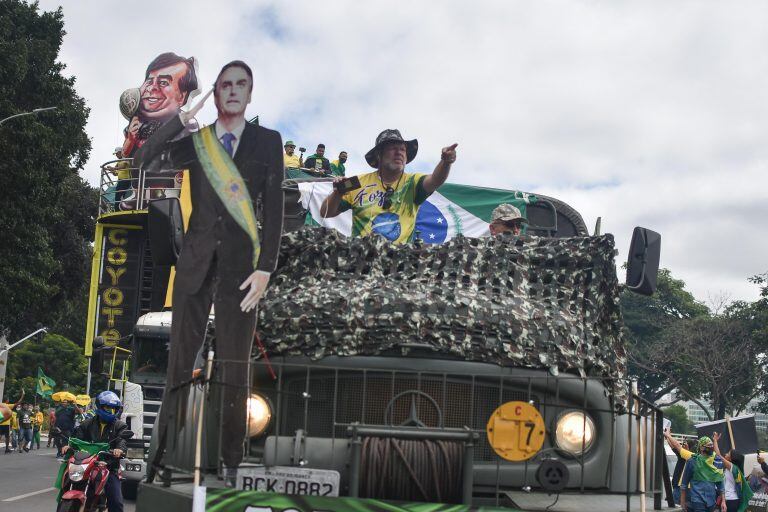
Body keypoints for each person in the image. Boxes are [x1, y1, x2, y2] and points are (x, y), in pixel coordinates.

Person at [136, 60, 284, 482]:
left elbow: (272, 209)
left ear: (250, 94)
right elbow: (146, 161)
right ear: (216, 94)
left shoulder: (267, 141)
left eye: (242, 85)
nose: (233, 91)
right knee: (179, 364)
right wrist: (178, 119)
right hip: (195, 262)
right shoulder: (197, 140)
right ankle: (161, 457)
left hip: (242, 266)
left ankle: (231, 464)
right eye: (225, 85)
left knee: (237, 366)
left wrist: (266, 268)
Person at [321, 129, 457, 244]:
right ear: (379, 155)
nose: (399, 153)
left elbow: (435, 180)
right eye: (393, 149)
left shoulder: (413, 182)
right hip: (362, 262)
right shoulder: (358, 183)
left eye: (403, 150)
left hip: (399, 266)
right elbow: (326, 212)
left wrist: (446, 162)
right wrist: (338, 193)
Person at [62, 391, 128, 512]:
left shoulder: (120, 426)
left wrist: (119, 449)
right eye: (108, 407)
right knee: (67, 481)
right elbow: (76, 438)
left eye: (113, 409)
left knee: (116, 502)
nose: (110, 411)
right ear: (100, 406)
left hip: (109, 466)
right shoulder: (87, 423)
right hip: (87, 463)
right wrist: (68, 445)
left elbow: (122, 440)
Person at [680, 435, 726, 512]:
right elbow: (684, 483)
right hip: (697, 500)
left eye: (711, 446)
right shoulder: (693, 461)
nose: (711, 447)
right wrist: (682, 501)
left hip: (711, 501)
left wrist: (723, 501)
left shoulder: (716, 461)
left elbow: (720, 484)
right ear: (701, 447)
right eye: (708, 446)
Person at [713, 432, 753, 512]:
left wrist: (715, 441)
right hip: (730, 499)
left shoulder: (732, 467)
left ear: (731, 459)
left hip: (730, 500)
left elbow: (718, 455)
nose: (725, 454)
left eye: (728, 453)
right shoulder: (733, 468)